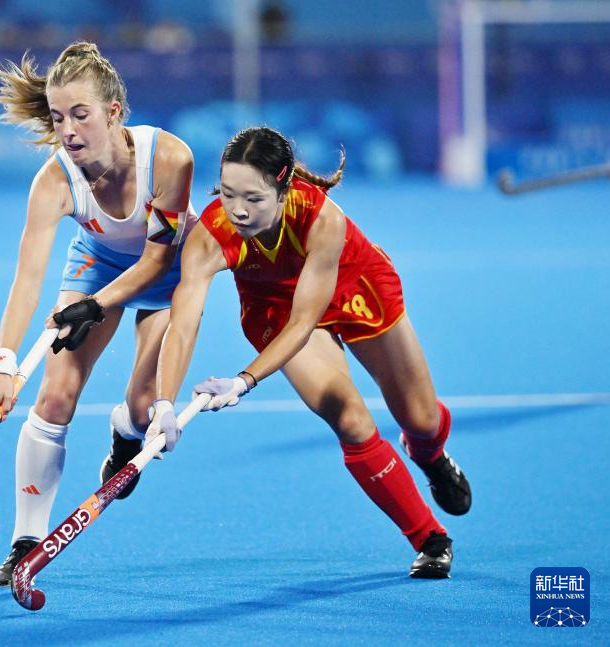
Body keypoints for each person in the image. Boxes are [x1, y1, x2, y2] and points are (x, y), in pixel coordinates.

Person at [145, 126, 471, 578]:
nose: (238, 210)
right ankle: (429, 538)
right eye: (229, 194)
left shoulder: (322, 219)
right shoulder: (211, 236)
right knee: (349, 418)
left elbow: (305, 320)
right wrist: (164, 401)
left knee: (421, 419)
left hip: (354, 283)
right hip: (274, 307)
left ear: (283, 190)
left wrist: (243, 380)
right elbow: (183, 322)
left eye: (254, 198)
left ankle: (427, 453)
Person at [0, 42, 197, 586]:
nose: (68, 131)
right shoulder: (54, 181)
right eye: (58, 118)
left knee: (144, 407)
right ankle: (25, 541)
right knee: (55, 395)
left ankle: (125, 429)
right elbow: (28, 278)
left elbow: (155, 261)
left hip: (167, 270)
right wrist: (3, 362)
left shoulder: (170, 160)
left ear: (114, 112)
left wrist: (95, 307)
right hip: (96, 266)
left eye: (81, 115)